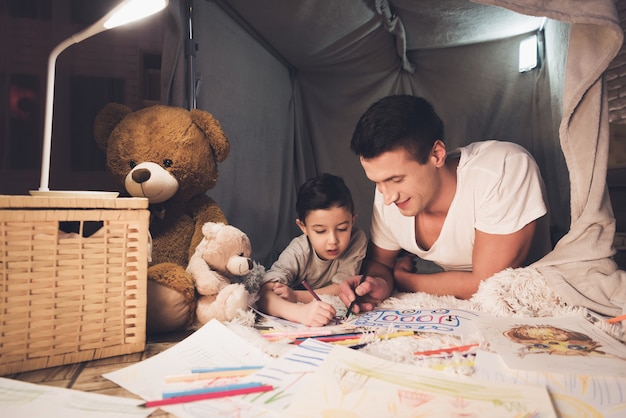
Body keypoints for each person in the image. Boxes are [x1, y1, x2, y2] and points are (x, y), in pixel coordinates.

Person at [339, 94, 551, 313]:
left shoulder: (502, 168)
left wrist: (406, 280)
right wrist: (377, 283)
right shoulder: (388, 192)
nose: (387, 197)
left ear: (437, 155)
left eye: (396, 179)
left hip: (531, 303)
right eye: (377, 182)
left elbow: (489, 285)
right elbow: (381, 264)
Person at [258, 173, 368, 326]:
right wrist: (298, 312)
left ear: (352, 221)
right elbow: (263, 293)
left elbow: (341, 288)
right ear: (303, 227)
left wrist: (296, 295)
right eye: (320, 231)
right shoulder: (298, 251)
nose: (333, 241)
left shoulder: (356, 238)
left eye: (342, 228)